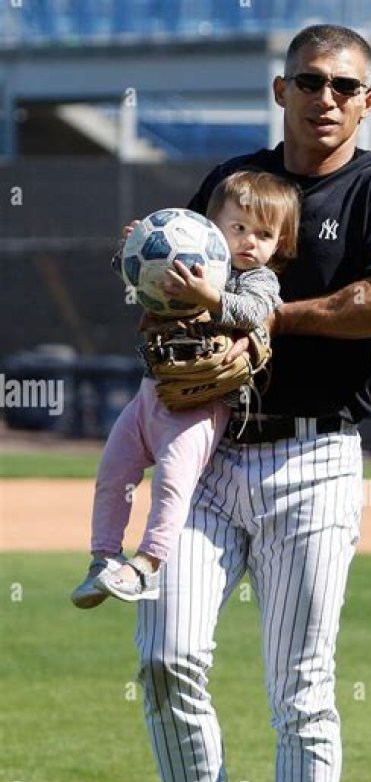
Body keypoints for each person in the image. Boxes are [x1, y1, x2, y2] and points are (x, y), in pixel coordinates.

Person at [135, 23, 371, 782]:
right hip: (217, 450)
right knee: (165, 650)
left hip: (316, 460)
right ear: (280, 89)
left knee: (301, 688)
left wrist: (270, 320)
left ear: (368, 101)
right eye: (310, 81)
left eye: (346, 86)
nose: (327, 98)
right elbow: (174, 289)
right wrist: (177, 323)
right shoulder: (231, 184)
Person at [71, 170, 300, 606]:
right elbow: (138, 278)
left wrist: (210, 297)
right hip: (149, 395)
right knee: (113, 472)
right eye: (239, 228)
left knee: (171, 483)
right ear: (213, 229)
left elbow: (251, 312)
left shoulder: (259, 280)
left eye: (265, 234)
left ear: (279, 245)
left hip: (199, 406)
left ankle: (149, 566)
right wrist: (134, 248)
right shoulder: (192, 258)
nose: (251, 241)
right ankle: (103, 557)